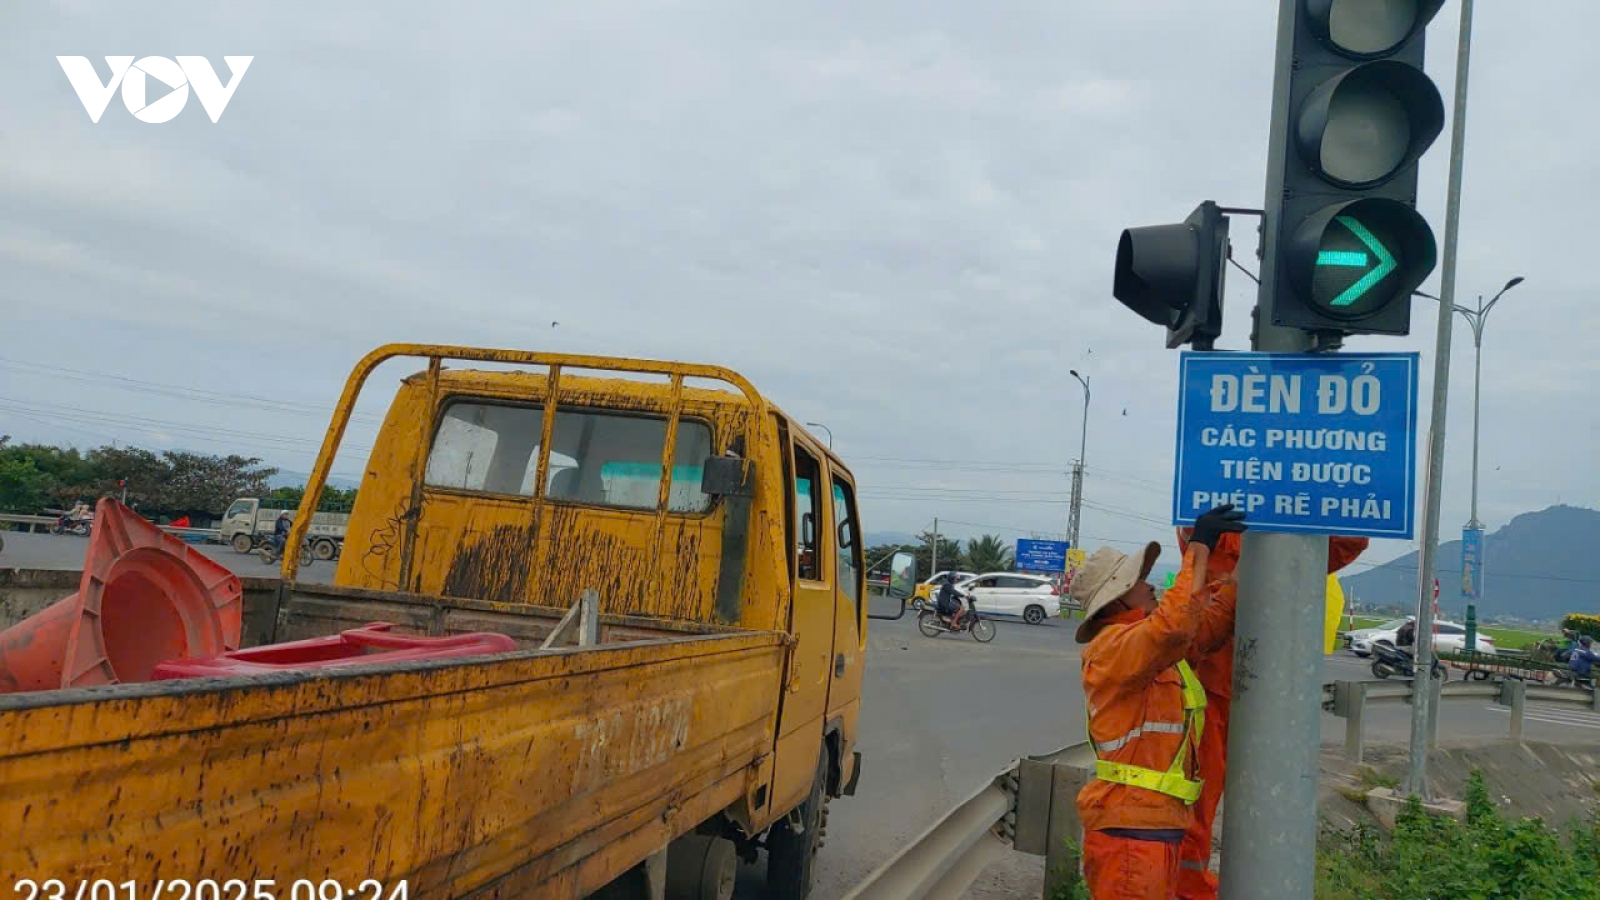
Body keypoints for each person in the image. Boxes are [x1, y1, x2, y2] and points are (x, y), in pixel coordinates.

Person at [1171, 530, 1368, 900]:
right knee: (1196, 802)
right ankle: (1188, 889)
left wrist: (1327, 499)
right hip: (1219, 688)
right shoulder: (1217, 530)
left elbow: (1348, 541)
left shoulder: (1293, 533)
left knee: (1269, 805)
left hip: (1275, 697)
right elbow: (1195, 552)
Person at [1073, 503, 1246, 900]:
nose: (1150, 585)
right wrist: (1199, 548)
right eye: (1139, 580)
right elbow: (1174, 627)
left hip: (1151, 829)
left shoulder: (1146, 650)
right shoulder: (1113, 648)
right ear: (1117, 600)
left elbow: (1204, 631)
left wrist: (1240, 574)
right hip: (1130, 836)